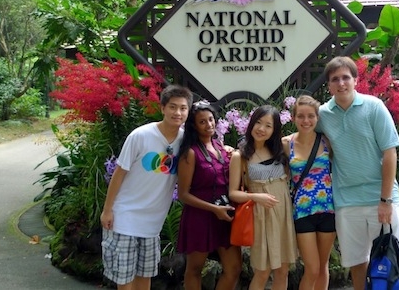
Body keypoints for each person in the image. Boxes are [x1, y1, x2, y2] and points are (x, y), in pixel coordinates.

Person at [315, 56, 399, 290]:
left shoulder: (374, 107)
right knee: (356, 263)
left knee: (389, 261)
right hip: (346, 200)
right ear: (329, 85)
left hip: (380, 200)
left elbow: (390, 153)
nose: (341, 83)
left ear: (355, 80)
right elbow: (306, 141)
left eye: (346, 77)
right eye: (335, 79)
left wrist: (385, 200)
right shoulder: (323, 115)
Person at [100, 85, 193, 290]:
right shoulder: (140, 136)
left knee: (145, 278)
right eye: (172, 107)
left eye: (183, 108)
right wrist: (107, 210)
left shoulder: (185, 140)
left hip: (153, 223)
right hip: (125, 216)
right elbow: (119, 174)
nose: (177, 113)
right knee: (125, 281)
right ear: (162, 108)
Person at [228, 105, 298, 290]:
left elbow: (303, 138)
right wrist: (256, 196)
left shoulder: (281, 149)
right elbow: (233, 193)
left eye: (268, 125)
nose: (261, 129)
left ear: (274, 130)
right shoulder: (240, 156)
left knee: (283, 270)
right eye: (258, 122)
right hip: (260, 216)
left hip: (283, 213)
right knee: (263, 271)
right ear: (251, 124)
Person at [176, 101, 242, 290]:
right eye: (202, 122)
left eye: (211, 119)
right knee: (195, 269)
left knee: (234, 268)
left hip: (224, 216)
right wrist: (214, 209)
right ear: (194, 126)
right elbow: (183, 194)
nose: (209, 125)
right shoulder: (190, 153)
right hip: (200, 216)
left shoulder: (220, 147)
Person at [281, 95, 336, 290]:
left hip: (328, 209)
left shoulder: (326, 142)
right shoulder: (286, 144)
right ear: (293, 118)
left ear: (317, 118)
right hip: (302, 212)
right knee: (311, 268)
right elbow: (262, 158)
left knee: (322, 267)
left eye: (311, 116)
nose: (306, 121)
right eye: (301, 116)